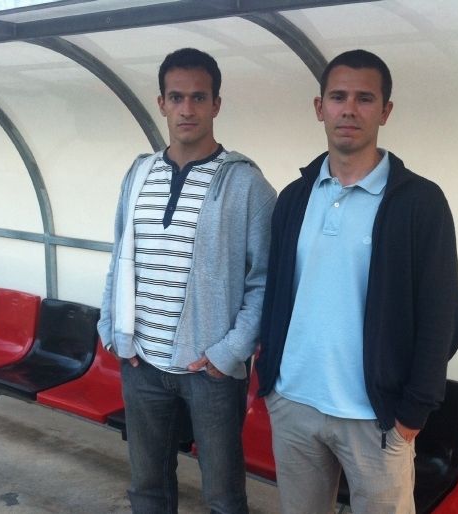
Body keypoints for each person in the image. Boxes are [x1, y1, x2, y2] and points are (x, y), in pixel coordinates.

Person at [257, 49, 458, 514]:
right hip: (293, 403)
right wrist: (269, 377)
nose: (349, 109)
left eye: (365, 98)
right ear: (319, 107)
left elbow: (441, 318)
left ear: (386, 111)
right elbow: (274, 293)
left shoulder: (419, 203)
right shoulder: (294, 198)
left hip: (376, 417)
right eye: (338, 97)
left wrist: (412, 413)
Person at [97, 47, 276, 514]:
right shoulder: (139, 174)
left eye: (199, 98)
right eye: (176, 97)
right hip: (142, 364)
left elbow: (266, 282)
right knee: (148, 488)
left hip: (210, 372)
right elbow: (120, 258)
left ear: (217, 104)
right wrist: (113, 332)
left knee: (222, 497)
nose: (187, 109)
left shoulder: (246, 186)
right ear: (161, 103)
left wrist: (228, 353)